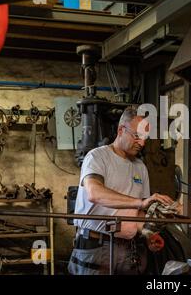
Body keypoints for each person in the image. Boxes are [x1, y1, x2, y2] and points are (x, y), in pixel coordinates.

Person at [68, 106, 174, 275]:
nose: (142, 143)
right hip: (97, 247)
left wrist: (147, 234)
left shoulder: (140, 167)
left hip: (131, 250)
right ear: (120, 130)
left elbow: (138, 213)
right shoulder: (97, 157)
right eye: (137, 136)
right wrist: (140, 202)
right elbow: (94, 193)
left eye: (145, 138)